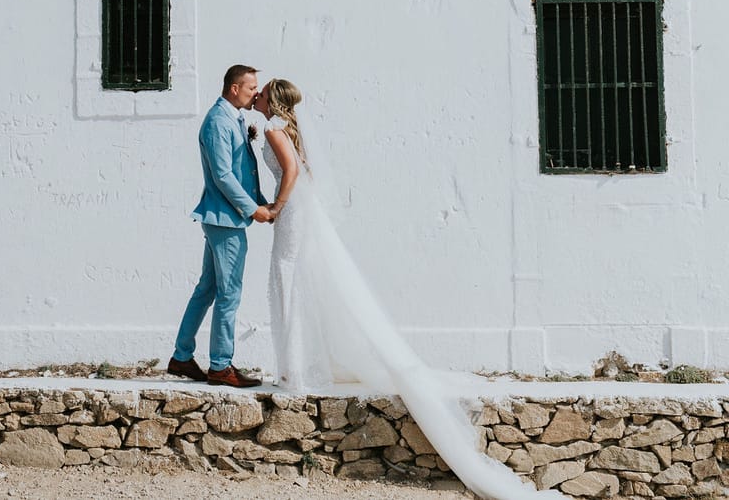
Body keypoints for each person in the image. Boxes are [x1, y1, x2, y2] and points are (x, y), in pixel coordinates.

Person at [253, 79, 558, 500]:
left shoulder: (273, 130)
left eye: (262, 92)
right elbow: (307, 171)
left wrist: (277, 206)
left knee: (287, 280)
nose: (258, 97)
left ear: (274, 100)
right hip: (307, 210)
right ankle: (295, 365)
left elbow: (289, 172)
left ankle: (294, 370)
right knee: (298, 282)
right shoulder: (288, 130)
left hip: (292, 213)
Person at [167, 65, 274, 388]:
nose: (255, 93)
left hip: (223, 217)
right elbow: (223, 175)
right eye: (251, 87)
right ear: (233, 88)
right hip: (225, 218)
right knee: (229, 294)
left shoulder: (233, 118)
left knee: (207, 289)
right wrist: (252, 208)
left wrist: (261, 200)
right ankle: (220, 365)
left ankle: (182, 357)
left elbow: (240, 171)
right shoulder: (217, 121)